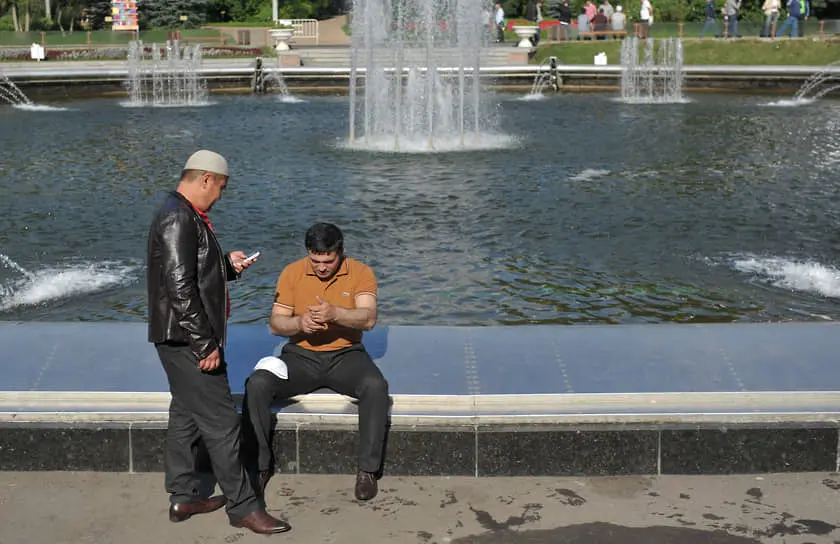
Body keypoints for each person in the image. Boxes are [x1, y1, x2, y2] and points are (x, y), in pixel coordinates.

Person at [146, 150, 291, 534]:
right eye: (221, 188)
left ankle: (183, 496)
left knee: (185, 414)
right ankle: (243, 507)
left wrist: (226, 265)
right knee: (223, 422)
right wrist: (204, 344)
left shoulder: (181, 213)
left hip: (177, 337)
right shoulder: (179, 218)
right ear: (206, 179)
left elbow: (189, 272)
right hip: (187, 340)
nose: (220, 195)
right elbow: (179, 286)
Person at [243, 223, 390, 502]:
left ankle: (368, 471)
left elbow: (368, 318)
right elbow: (276, 324)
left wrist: (335, 314)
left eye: (328, 261)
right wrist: (299, 323)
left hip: (346, 354)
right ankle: (260, 467)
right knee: (257, 383)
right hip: (300, 356)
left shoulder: (361, 273)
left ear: (340, 252)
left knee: (376, 386)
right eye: (316, 261)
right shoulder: (292, 272)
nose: (322, 267)